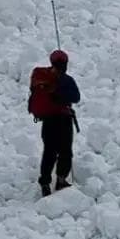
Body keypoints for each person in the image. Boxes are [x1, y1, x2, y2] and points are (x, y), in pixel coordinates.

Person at [28, 50, 80, 196]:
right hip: (63, 120)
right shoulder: (66, 80)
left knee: (49, 152)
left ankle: (45, 182)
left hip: (48, 120)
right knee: (65, 151)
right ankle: (61, 180)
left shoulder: (42, 78)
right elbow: (76, 97)